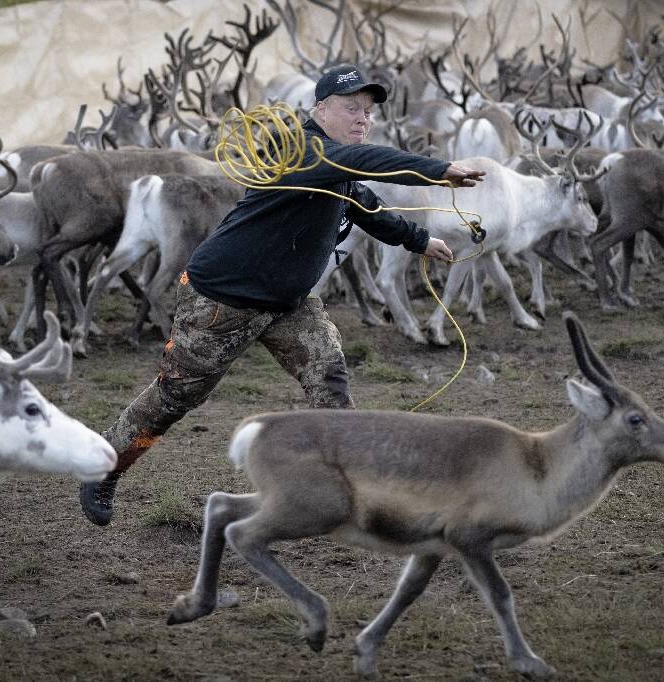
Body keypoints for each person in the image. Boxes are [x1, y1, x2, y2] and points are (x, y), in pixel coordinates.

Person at [79, 63, 485, 526]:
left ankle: (349, 495)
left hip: (289, 304)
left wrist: (419, 241)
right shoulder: (307, 151)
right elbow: (376, 162)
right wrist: (440, 171)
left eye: (368, 112)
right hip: (222, 301)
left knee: (329, 382)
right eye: (351, 108)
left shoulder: (337, 164)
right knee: (175, 396)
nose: (362, 119)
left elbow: (367, 207)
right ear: (321, 109)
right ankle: (104, 465)